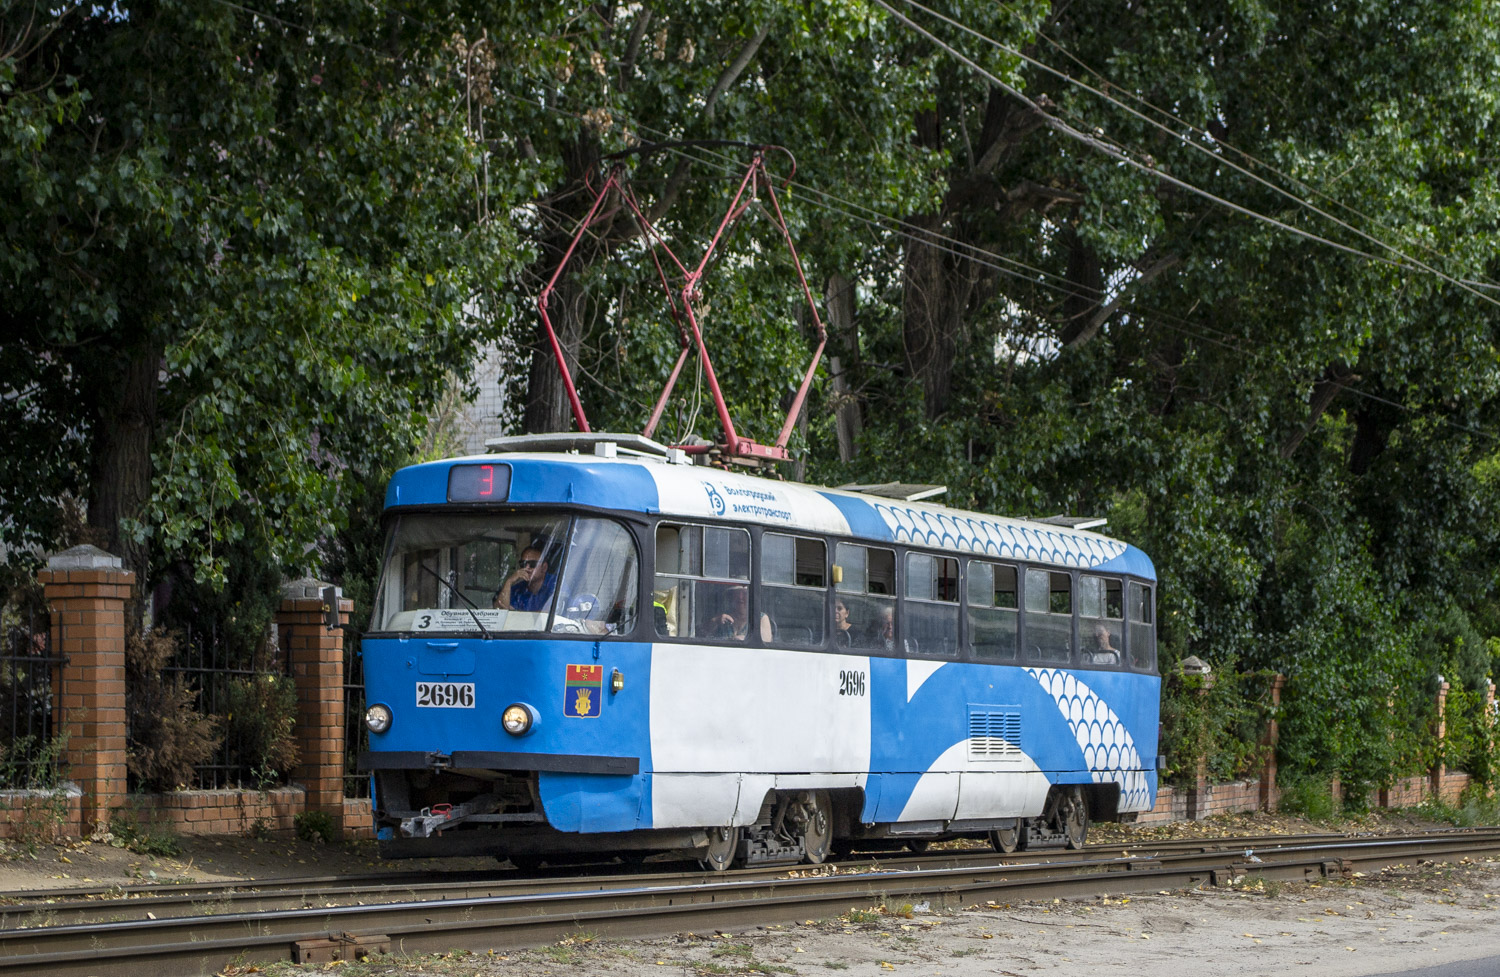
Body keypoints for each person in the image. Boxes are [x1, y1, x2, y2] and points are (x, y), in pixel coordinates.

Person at [494, 545, 556, 611]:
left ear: (544, 567)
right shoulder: (518, 589)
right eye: (523, 564)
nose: (527, 568)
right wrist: (509, 581)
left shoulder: (557, 584)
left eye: (532, 564)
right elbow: (499, 611)